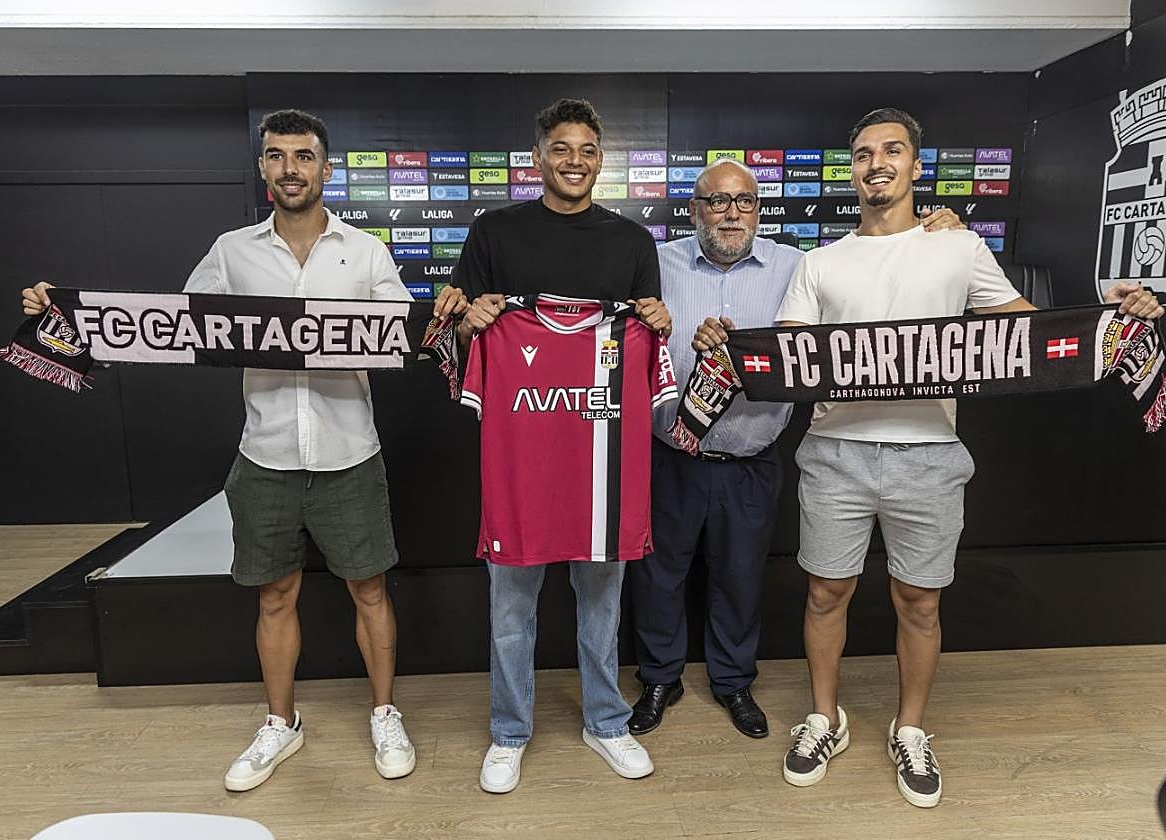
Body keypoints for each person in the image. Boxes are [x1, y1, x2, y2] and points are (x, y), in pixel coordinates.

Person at [773, 106, 1163, 808]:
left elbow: (1030, 330)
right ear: (851, 170)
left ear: (916, 166)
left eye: (892, 150)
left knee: (919, 601)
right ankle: (823, 718)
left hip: (929, 454)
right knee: (825, 592)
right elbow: (787, 352)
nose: (876, 163)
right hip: (834, 451)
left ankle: (910, 728)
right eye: (863, 153)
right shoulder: (818, 262)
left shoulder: (959, 248)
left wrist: (1112, 320)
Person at [22, 109, 419, 791]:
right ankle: (280, 723)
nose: (290, 168)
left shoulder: (368, 252)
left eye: (303, 156)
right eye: (276, 156)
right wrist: (68, 316)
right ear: (263, 169)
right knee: (274, 596)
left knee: (370, 589)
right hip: (264, 454)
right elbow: (171, 328)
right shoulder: (231, 251)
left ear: (326, 169)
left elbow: (398, 340)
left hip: (349, 452)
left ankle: (385, 710)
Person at [627, 159, 965, 739]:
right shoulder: (655, 264)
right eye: (716, 201)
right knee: (659, 576)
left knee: (739, 576)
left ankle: (733, 682)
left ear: (760, 209)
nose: (731, 213)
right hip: (668, 453)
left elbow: (868, 288)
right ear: (693, 209)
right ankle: (659, 678)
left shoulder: (798, 264)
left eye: (744, 202)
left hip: (752, 455)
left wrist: (939, 231)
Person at [434, 97, 672, 794]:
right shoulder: (494, 232)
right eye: (561, 148)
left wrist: (655, 320)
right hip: (523, 467)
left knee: (602, 602)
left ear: (602, 159)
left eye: (588, 150)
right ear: (538, 157)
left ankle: (606, 721)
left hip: (602, 469)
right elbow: (459, 337)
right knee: (512, 605)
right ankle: (509, 733)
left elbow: (645, 333)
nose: (575, 160)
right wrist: (472, 320)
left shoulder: (631, 244)